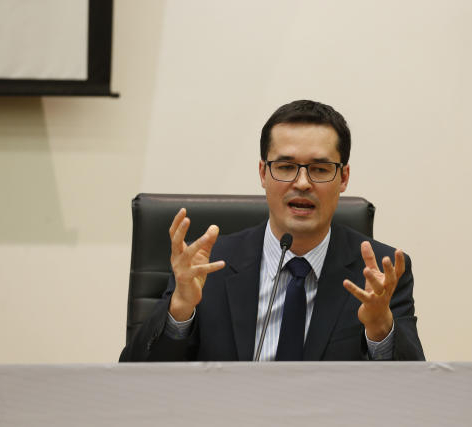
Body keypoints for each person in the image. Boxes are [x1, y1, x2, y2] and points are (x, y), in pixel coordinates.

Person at [120, 100, 425, 361]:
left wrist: (380, 329)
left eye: (320, 169)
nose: (302, 183)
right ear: (263, 173)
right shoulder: (207, 266)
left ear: (343, 177)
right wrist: (180, 309)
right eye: (285, 166)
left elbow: (413, 393)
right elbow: (135, 377)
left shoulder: (381, 275)